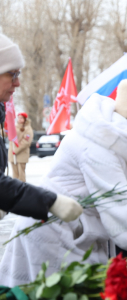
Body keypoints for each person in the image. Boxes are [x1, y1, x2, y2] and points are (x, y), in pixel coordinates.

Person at [0, 80, 127, 286]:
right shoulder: (102, 141)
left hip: (66, 228)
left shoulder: (109, 137)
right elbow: (118, 203)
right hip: (53, 232)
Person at [0, 33, 82, 222]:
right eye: (12, 74)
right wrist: (50, 202)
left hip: (20, 155)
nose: (18, 83)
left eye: (18, 75)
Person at [8, 112, 33, 182]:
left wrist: (16, 150)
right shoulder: (14, 127)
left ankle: (21, 190)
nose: (19, 119)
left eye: (21, 118)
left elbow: (26, 142)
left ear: (25, 119)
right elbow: (6, 134)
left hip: (21, 154)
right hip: (12, 155)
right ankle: (15, 191)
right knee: (15, 176)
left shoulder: (28, 129)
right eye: (18, 118)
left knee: (21, 175)